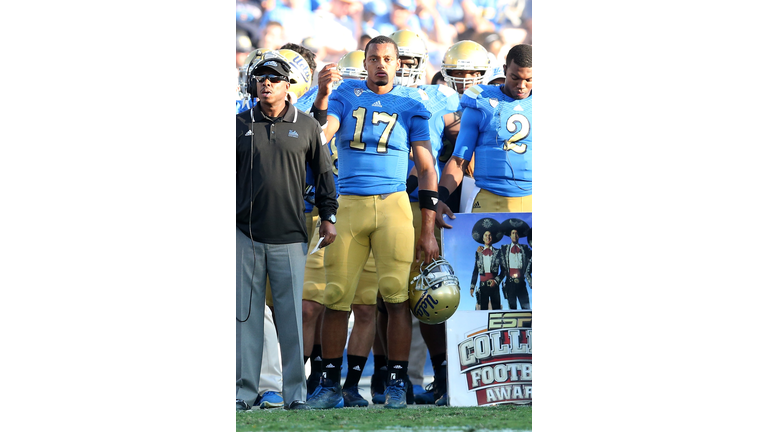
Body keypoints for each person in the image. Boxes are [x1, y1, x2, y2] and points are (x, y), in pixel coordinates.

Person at [306, 35, 439, 410]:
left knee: (396, 299)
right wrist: (321, 97)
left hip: (395, 204)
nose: (381, 64)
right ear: (363, 63)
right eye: (374, 58)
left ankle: (396, 382)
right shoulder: (346, 95)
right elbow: (323, 133)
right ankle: (331, 384)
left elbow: (427, 168)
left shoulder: (411, 105)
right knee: (336, 298)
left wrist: (427, 229)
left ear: (399, 64)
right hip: (348, 204)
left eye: (387, 58)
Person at [236, 55, 338, 411]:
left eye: (275, 79)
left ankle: (295, 394)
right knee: (246, 316)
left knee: (291, 319)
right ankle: (245, 392)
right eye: (262, 78)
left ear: (287, 85)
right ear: (254, 85)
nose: (267, 84)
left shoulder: (308, 126)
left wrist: (329, 216)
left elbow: (325, 175)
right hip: (244, 234)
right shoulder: (237, 124)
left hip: (292, 234)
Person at [296, 50, 380, 408]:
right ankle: (309, 378)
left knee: (364, 307)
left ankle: (351, 384)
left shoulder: (387, 105)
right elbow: (312, 139)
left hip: (371, 207)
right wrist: (325, 97)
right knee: (313, 304)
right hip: (327, 212)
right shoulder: (318, 102)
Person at [436, 43, 532, 227]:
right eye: (515, 77)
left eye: (529, 79)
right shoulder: (482, 101)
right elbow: (459, 160)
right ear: (505, 70)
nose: (521, 86)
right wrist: (440, 198)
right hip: (489, 197)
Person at [470, 217, 504, 310]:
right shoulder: (478, 253)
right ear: (483, 238)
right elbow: (475, 270)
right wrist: (472, 286)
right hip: (483, 286)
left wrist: (496, 281)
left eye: (489, 235)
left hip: (494, 286)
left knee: (496, 309)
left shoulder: (498, 252)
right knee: (483, 309)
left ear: (492, 237)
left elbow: (504, 270)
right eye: (486, 235)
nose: (488, 237)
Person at [499, 217, 531, 310]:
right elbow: (492, 253)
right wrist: (481, 249)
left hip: (522, 283)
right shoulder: (504, 249)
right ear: (510, 235)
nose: (515, 235)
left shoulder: (525, 248)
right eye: (513, 233)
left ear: (519, 236)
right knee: (512, 310)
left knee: (526, 308)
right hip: (509, 283)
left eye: (516, 233)